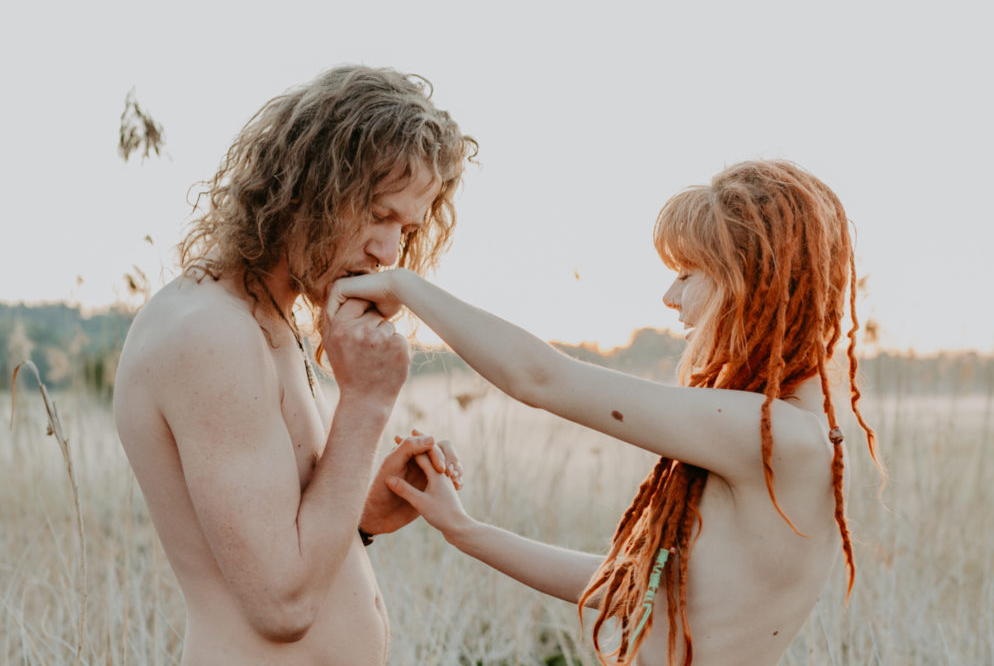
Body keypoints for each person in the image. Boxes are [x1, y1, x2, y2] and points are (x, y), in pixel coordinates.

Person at [333, 160, 881, 666]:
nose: (670, 295)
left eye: (689, 273)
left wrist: (402, 284)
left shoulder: (776, 436)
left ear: (751, 281)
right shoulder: (799, 439)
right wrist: (465, 531)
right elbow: (639, 592)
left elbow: (540, 378)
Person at [113, 65, 477, 666]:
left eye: (405, 229)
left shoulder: (268, 320)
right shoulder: (212, 333)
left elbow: (269, 547)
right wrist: (367, 401)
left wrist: (363, 520)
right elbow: (280, 607)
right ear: (311, 186)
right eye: (378, 215)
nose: (389, 252)